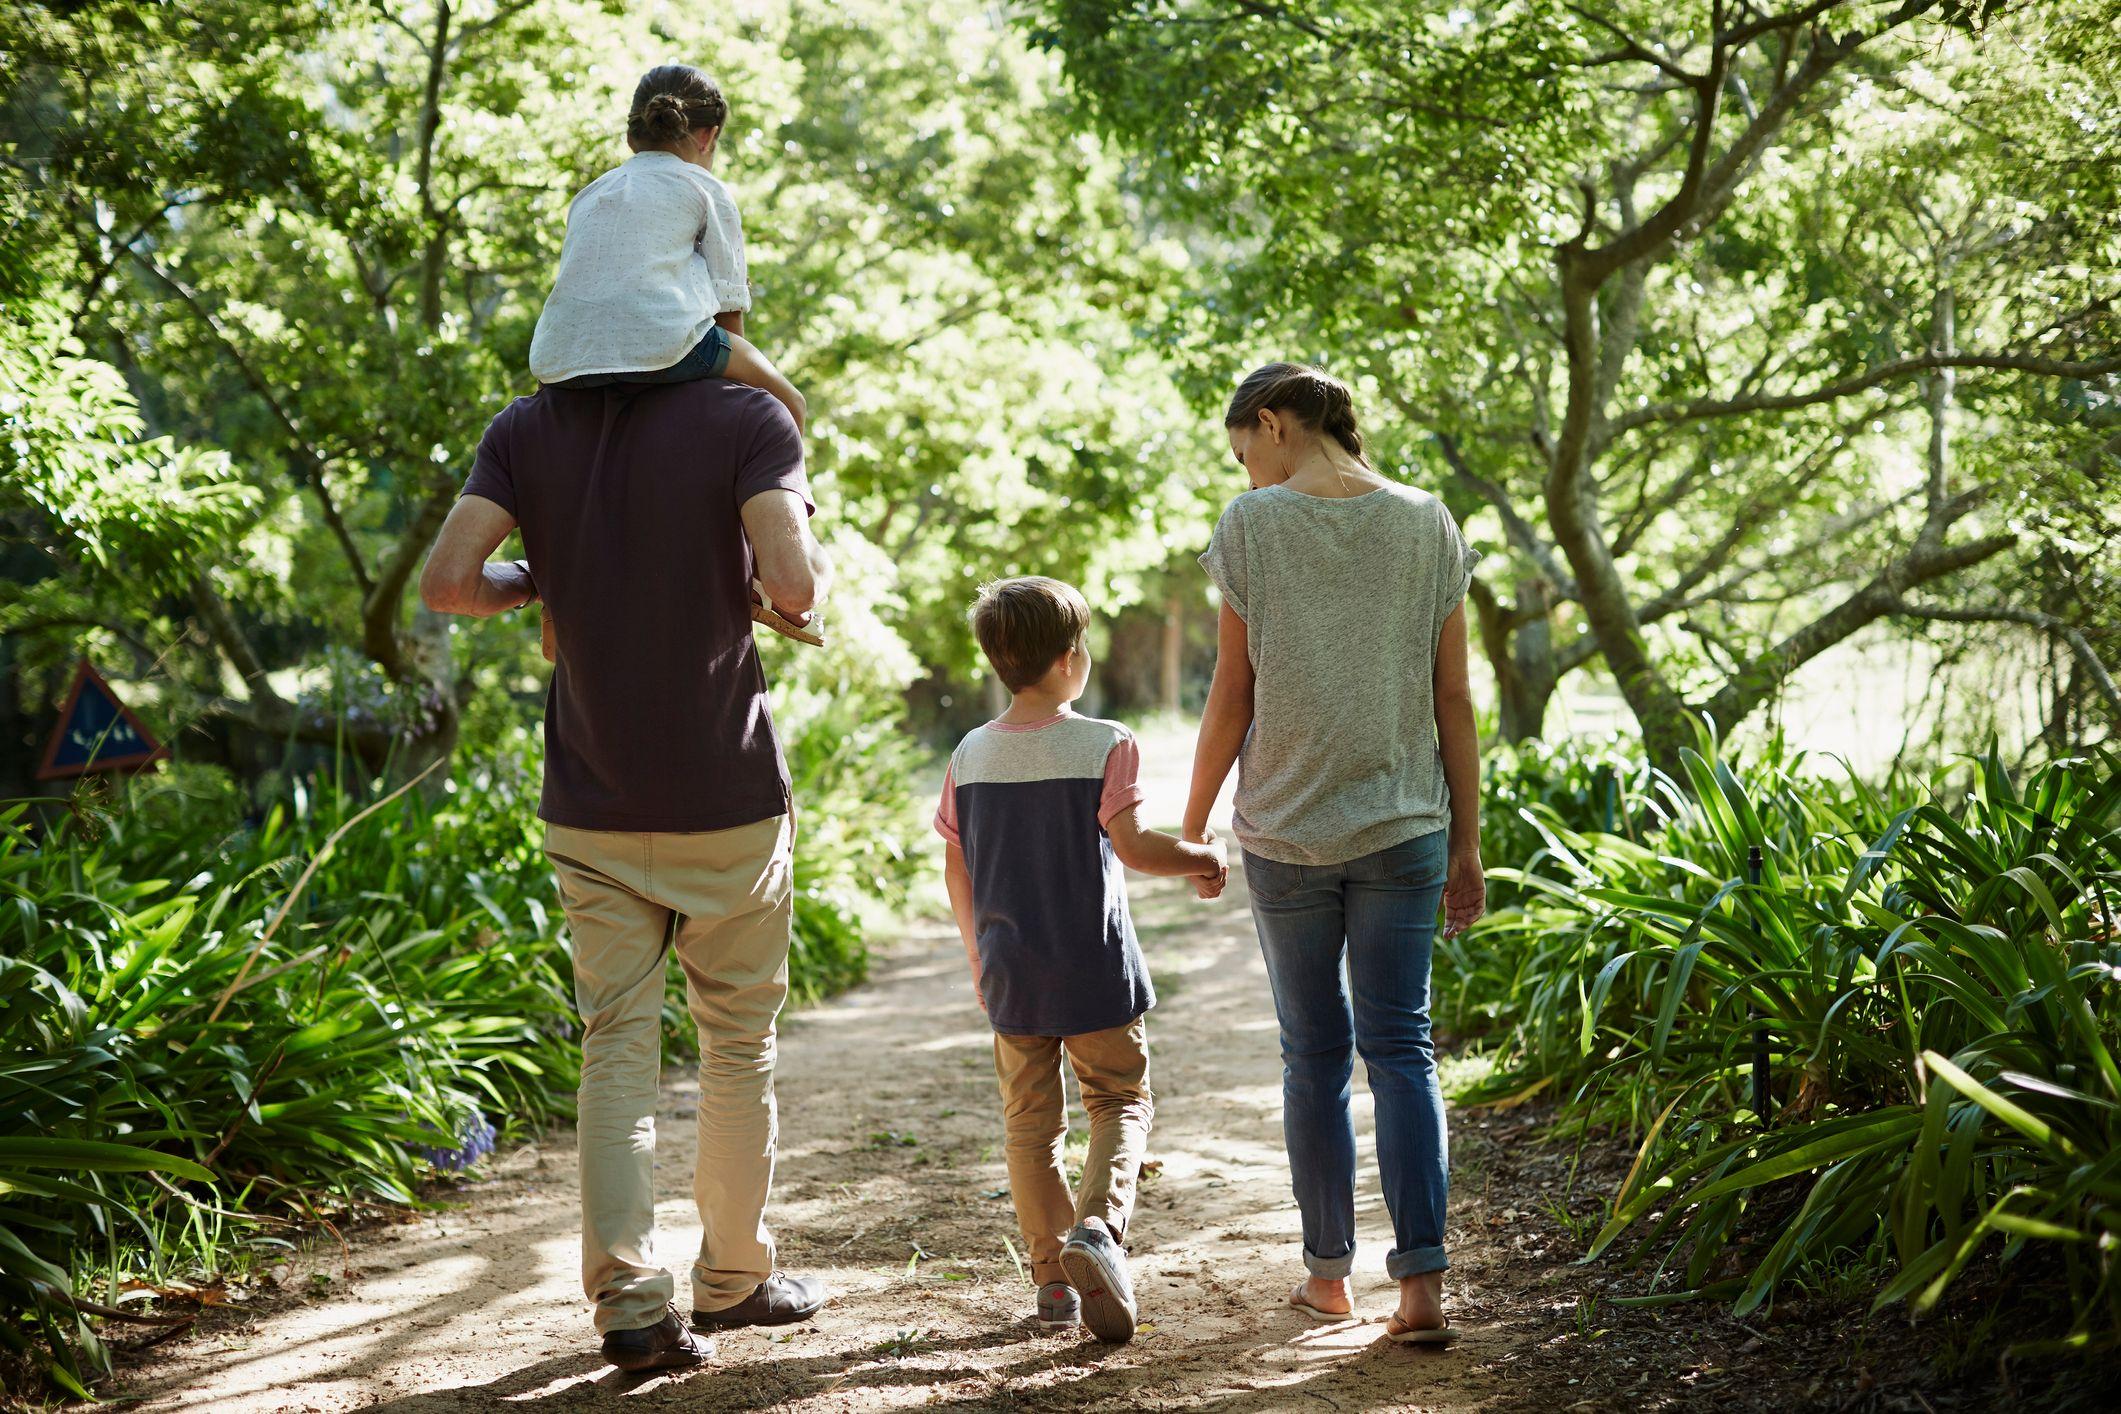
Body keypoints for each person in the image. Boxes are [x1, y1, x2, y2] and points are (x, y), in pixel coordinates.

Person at [419, 364, 831, 1370]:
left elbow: (449, 582)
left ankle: (632, 1308)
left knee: (616, 1045)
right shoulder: (747, 418)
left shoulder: (524, 428)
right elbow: (796, 585)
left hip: (593, 797)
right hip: (725, 798)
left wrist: (539, 578)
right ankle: (732, 1280)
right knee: (736, 1039)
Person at [1180, 362, 1486, 1345]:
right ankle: (1423, 1290)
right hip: (1407, 828)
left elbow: (1232, 693)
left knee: (1313, 1055)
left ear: (1274, 425)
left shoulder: (1252, 525)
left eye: (1245, 452)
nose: (1249, 474)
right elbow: (1455, 700)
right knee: (1403, 1048)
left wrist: (1193, 824)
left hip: (1286, 831)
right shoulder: (1428, 521)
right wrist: (1468, 840)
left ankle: (1327, 1279)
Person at [935, 577, 1228, 1343]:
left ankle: (1051, 1285)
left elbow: (956, 867)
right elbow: (1132, 846)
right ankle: (1096, 1231)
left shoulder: (968, 754)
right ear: (1070, 662)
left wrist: (976, 958)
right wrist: (1200, 855)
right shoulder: (1105, 741)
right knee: (1119, 1102)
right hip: (1094, 968)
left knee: (1029, 1127)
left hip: (1010, 970)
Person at [529, 63, 806, 431]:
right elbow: (729, 311)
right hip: (667, 346)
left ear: (632, 138)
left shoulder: (591, 194)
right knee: (792, 404)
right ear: (708, 136)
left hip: (562, 359)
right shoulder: (705, 187)